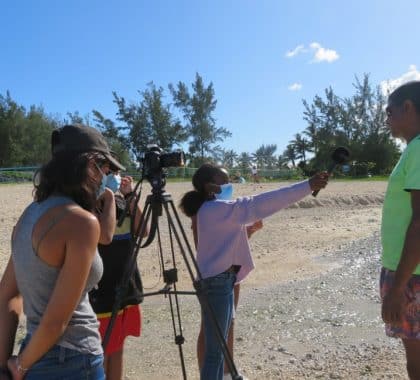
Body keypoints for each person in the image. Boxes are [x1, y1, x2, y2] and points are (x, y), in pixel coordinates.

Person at [179, 163, 328, 380]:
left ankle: (228, 375)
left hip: (222, 280)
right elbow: (263, 202)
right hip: (218, 283)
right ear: (209, 186)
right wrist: (307, 186)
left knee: (218, 343)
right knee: (214, 352)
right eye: (225, 181)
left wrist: (248, 231)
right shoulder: (216, 209)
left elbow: (219, 245)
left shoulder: (212, 210)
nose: (230, 185)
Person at [0, 123, 125, 380]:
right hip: (74, 360)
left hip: (35, 355)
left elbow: (7, 295)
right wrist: (21, 365)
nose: (105, 176)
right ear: (90, 164)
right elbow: (57, 322)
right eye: (105, 168)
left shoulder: (29, 215)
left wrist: (6, 365)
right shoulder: (81, 222)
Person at [89, 170, 147, 380]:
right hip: (102, 292)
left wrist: (130, 197)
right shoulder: (88, 206)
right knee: (101, 349)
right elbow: (104, 236)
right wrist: (105, 198)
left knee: (118, 347)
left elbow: (143, 231)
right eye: (106, 171)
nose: (112, 176)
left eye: (115, 172)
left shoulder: (123, 204)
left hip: (125, 286)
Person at [380, 81, 420, 380]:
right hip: (410, 271)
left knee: (416, 363)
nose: (386, 118)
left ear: (408, 107)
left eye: (389, 111)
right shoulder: (413, 150)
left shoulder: (419, 149)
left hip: (411, 275)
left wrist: (397, 289)